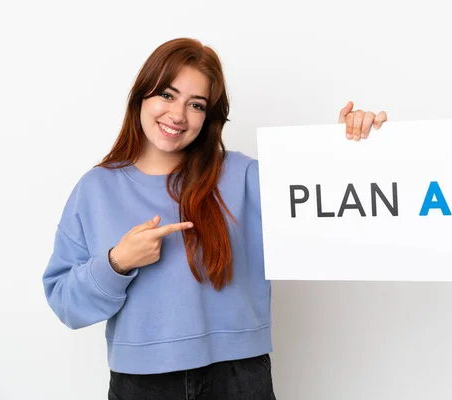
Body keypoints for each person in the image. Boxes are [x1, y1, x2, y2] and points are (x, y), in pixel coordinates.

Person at [41, 37, 387, 400]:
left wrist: (350, 144)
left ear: (209, 116)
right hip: (142, 384)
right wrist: (117, 263)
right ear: (141, 96)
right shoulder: (96, 188)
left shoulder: (242, 176)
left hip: (238, 377)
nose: (178, 115)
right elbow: (66, 304)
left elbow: (324, 205)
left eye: (196, 104)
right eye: (167, 95)